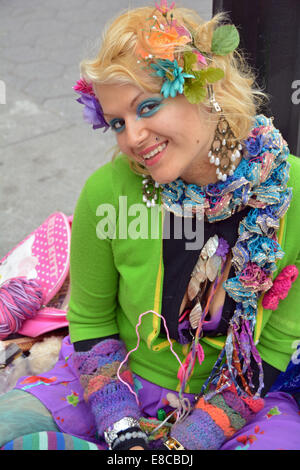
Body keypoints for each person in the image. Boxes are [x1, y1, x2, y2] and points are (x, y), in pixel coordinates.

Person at [1, 0, 300, 451]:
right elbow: (91, 320)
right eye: (118, 122)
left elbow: (275, 344)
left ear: (206, 90)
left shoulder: (291, 193)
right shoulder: (108, 191)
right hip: (114, 381)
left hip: (236, 403)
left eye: (149, 106)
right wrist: (122, 430)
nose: (132, 137)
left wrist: (185, 445)